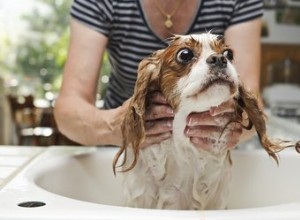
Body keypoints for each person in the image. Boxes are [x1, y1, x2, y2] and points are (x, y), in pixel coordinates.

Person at [54, 0, 263, 149]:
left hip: (210, 154)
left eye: (225, 55)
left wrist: (235, 124)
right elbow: (68, 109)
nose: (221, 59)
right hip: (124, 148)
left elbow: (252, 100)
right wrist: (113, 126)